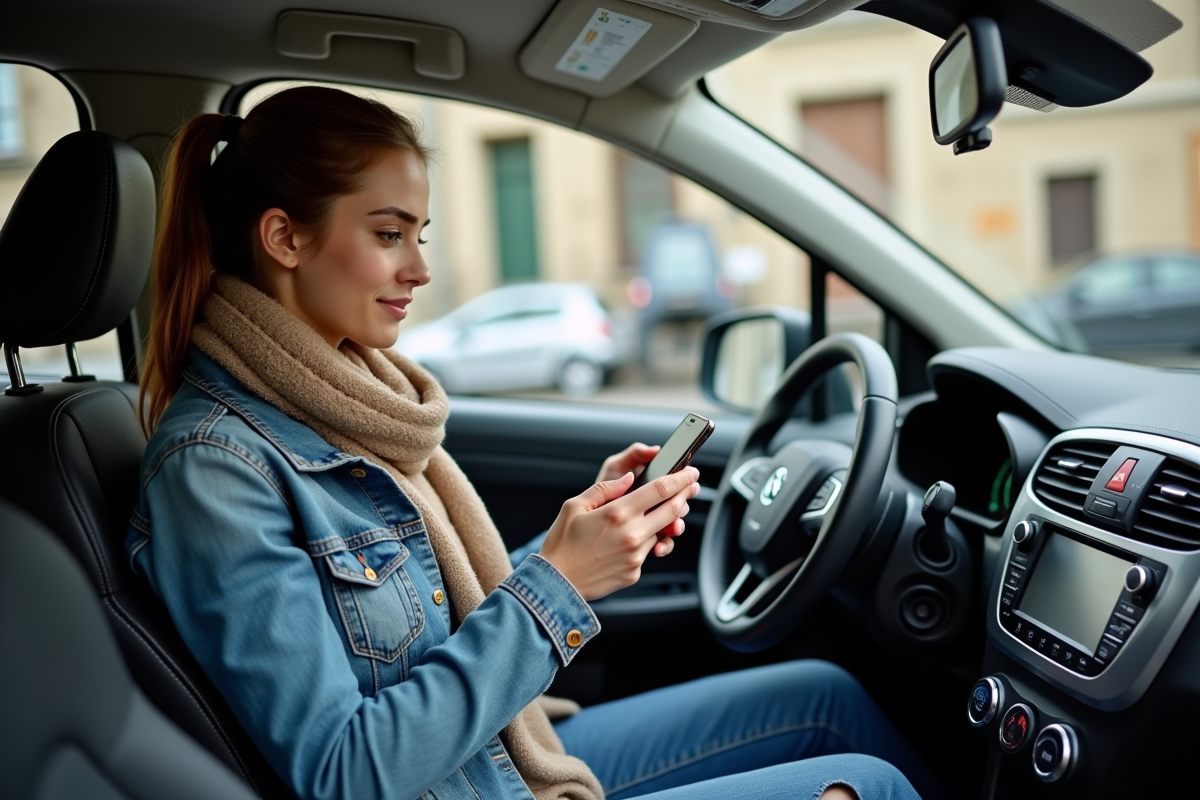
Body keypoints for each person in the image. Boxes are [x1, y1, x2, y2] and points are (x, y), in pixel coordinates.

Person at [127, 85, 937, 800]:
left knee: (824, 694)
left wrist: (570, 545)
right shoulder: (217, 468)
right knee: (867, 787)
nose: (419, 269)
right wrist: (557, 587)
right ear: (286, 238)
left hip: (493, 754)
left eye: (422, 234)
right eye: (387, 234)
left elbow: (412, 622)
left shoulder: (344, 403)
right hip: (457, 781)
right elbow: (347, 771)